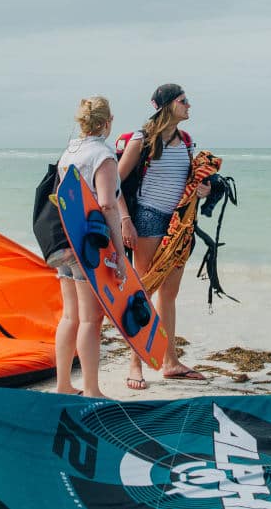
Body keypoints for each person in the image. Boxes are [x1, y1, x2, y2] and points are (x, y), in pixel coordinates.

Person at [119, 83, 211, 389]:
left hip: (179, 223)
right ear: (168, 104)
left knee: (169, 295)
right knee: (142, 291)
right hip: (148, 219)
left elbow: (186, 180)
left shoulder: (186, 141)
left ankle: (170, 363)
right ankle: (135, 364)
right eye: (184, 101)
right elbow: (115, 182)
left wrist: (203, 189)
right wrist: (125, 220)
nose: (189, 105)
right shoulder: (142, 139)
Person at [50, 97, 129, 398]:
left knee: (70, 317)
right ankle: (93, 390)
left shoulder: (69, 152)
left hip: (66, 241)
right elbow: (107, 203)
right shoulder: (103, 155)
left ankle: (63, 385)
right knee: (91, 319)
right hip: (91, 245)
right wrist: (120, 254)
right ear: (108, 122)